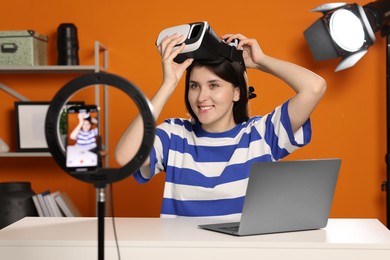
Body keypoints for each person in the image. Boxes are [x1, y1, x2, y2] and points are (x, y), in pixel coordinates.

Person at [115, 33, 326, 219]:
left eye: (213, 85)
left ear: (237, 92)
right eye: (194, 86)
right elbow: (125, 156)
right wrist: (168, 84)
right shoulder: (173, 135)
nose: (201, 97)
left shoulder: (261, 134)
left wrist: (260, 61)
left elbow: (314, 87)